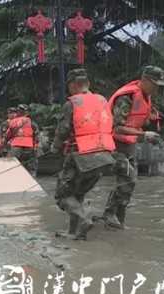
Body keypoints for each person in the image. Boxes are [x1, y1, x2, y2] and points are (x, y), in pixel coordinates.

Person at [50, 69, 116, 240]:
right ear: (88, 84)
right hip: (105, 156)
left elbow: (63, 131)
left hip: (81, 156)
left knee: (62, 196)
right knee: (77, 194)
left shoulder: (72, 103)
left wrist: (54, 149)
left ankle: (83, 217)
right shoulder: (102, 100)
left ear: (73, 85)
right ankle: (74, 233)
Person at [101, 66, 164, 230]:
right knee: (128, 179)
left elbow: (136, 124)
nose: (157, 88)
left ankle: (118, 223)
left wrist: (148, 135)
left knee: (129, 184)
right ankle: (109, 213)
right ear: (144, 80)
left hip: (128, 144)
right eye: (154, 84)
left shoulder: (145, 96)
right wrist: (145, 135)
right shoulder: (127, 97)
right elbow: (117, 127)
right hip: (113, 143)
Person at [6, 104, 39, 176]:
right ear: (26, 112)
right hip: (29, 144)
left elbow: (8, 135)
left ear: (18, 112)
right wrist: (35, 145)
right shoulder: (31, 122)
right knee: (29, 164)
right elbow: (36, 134)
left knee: (11, 164)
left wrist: (6, 142)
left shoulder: (13, 121)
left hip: (16, 144)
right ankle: (31, 178)